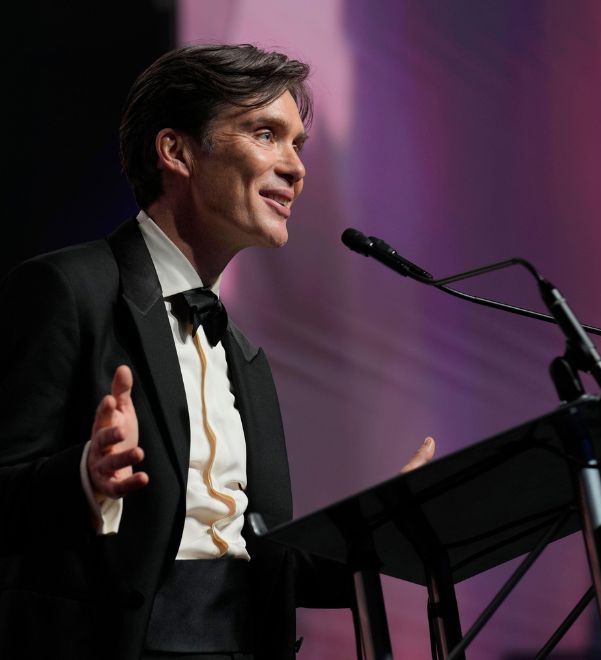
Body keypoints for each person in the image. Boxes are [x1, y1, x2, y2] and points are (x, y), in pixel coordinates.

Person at [0, 43, 434, 659]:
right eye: (266, 134)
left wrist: (379, 532)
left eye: (298, 145)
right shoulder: (67, 291)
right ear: (176, 151)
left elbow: (258, 561)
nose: (295, 167)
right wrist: (84, 476)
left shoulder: (243, 356)